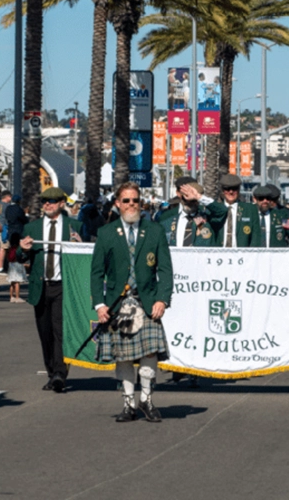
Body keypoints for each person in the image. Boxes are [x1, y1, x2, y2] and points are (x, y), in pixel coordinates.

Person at [91, 181, 173, 423]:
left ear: (141, 202)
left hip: (146, 301)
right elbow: (96, 272)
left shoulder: (155, 231)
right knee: (124, 356)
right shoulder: (106, 233)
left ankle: (147, 399)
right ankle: (128, 403)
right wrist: (100, 304)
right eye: (125, 201)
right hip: (118, 305)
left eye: (135, 200)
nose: (131, 205)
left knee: (149, 353)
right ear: (117, 204)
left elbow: (165, 270)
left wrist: (162, 299)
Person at [18, 187, 84, 394]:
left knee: (60, 332)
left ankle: (59, 374)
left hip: (63, 286)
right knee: (44, 332)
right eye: (45, 200)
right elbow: (20, 258)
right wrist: (22, 249)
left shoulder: (75, 226)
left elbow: (86, 256)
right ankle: (50, 372)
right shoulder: (33, 227)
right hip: (41, 286)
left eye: (52, 201)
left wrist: (80, 245)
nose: (47, 204)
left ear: (62, 204)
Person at [157, 177, 227, 248]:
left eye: (193, 200)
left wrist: (198, 197)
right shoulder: (168, 222)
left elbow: (222, 211)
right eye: (186, 198)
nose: (189, 203)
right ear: (180, 197)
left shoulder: (207, 219)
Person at [214, 174, 262, 247]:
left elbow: (256, 237)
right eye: (227, 189)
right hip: (219, 254)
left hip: (242, 255)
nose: (231, 192)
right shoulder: (215, 209)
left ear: (239, 190)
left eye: (234, 189)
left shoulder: (250, 209)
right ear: (223, 191)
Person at [0, 190, 12, 273]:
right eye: (10, 196)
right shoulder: (8, 206)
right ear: (7, 197)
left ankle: (3, 266)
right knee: (3, 247)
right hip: (4, 228)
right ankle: (0, 268)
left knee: (4, 247)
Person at [7, 233, 27, 303]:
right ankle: (17, 297)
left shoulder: (10, 248)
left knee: (12, 282)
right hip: (17, 264)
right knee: (17, 282)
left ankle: (11, 297)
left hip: (11, 264)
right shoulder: (18, 248)